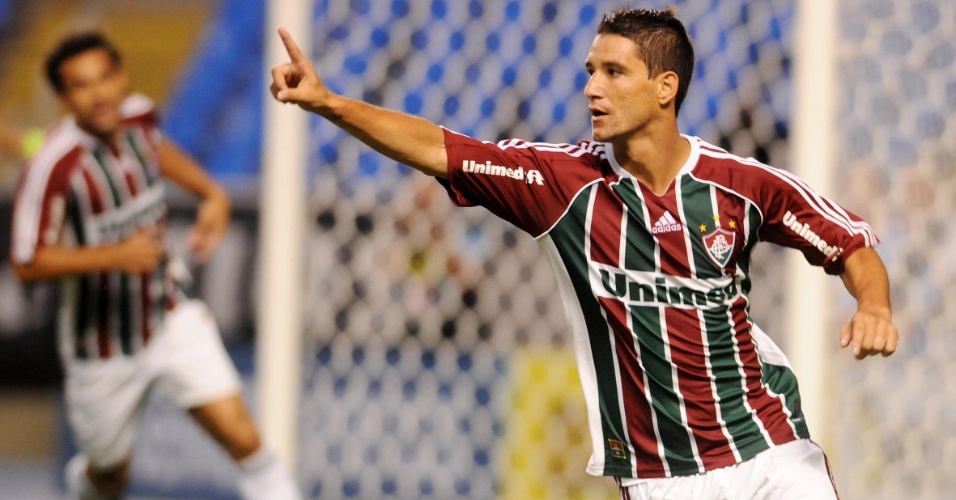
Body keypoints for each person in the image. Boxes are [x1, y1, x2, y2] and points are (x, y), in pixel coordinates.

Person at [269, 7, 899, 500]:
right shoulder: (559, 184)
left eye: (614, 72)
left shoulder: (739, 186)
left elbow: (850, 242)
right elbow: (440, 148)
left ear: (665, 88)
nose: (593, 88)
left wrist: (874, 303)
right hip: (661, 475)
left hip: (769, 449)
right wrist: (329, 103)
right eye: (589, 72)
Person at [10, 32, 301, 500]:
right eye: (83, 85)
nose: (100, 93)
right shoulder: (52, 165)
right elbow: (26, 261)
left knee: (245, 440)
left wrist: (211, 192)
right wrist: (113, 256)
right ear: (63, 98)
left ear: (122, 75)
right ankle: (86, 482)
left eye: (106, 77)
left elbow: (156, 150)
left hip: (170, 313)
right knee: (110, 476)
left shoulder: (140, 115)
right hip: (101, 346)